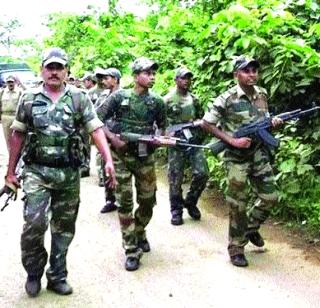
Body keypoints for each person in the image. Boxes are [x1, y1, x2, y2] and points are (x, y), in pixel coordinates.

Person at [4, 47, 116, 297]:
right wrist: (10, 172)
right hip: (36, 172)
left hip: (68, 174)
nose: (54, 72)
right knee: (34, 224)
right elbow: (18, 133)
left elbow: (95, 129)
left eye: (59, 68)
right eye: (49, 67)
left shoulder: (79, 97)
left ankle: (57, 275)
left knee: (64, 227)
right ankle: (34, 272)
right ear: (42, 69)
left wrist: (108, 160)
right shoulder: (30, 98)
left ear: (67, 71)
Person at [200, 56, 282, 267]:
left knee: (270, 196)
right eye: (247, 71)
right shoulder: (226, 98)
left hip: (258, 154)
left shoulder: (262, 94)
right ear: (237, 74)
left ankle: (250, 228)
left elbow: (265, 121)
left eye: (255, 70)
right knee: (238, 204)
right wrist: (232, 141)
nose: (252, 74)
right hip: (236, 158)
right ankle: (236, 247)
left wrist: (273, 123)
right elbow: (207, 123)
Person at [97, 57, 166, 271]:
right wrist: (113, 139)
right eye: (147, 73)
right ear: (136, 76)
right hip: (121, 157)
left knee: (147, 201)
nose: (152, 77)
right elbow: (96, 120)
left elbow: (163, 127)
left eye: (154, 74)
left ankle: (138, 231)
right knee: (124, 202)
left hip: (145, 157)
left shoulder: (157, 102)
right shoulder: (119, 97)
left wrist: (158, 140)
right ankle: (131, 249)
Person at [164, 67, 209, 226]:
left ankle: (191, 201)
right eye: (183, 78)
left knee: (202, 173)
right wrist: (165, 134)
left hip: (193, 141)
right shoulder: (168, 99)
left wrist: (199, 133)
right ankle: (176, 210)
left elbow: (202, 119)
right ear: (176, 80)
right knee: (175, 177)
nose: (186, 81)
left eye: (189, 78)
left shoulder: (194, 99)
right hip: (176, 143)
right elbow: (159, 122)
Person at [97, 68, 122, 214]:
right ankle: (110, 200)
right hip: (106, 138)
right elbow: (96, 116)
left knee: (123, 171)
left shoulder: (125, 95)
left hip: (122, 139)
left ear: (116, 79)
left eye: (107, 78)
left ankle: (123, 199)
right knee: (105, 168)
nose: (104, 81)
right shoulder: (103, 96)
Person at [0, 75, 24, 153]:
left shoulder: (20, 92)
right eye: (8, 82)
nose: (10, 84)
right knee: (8, 139)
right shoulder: (2, 92)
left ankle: (19, 157)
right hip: (5, 117)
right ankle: (11, 158)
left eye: (12, 82)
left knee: (18, 138)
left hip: (16, 117)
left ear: (15, 82)